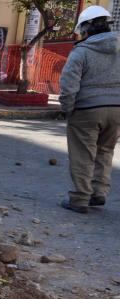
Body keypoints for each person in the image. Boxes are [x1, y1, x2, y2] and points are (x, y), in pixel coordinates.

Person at [59, 5, 120, 213]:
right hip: (117, 109)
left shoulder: (81, 52)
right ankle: (98, 193)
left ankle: (80, 198)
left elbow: (69, 84)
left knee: (82, 154)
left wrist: (67, 108)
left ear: (86, 29)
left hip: (87, 109)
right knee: (105, 151)